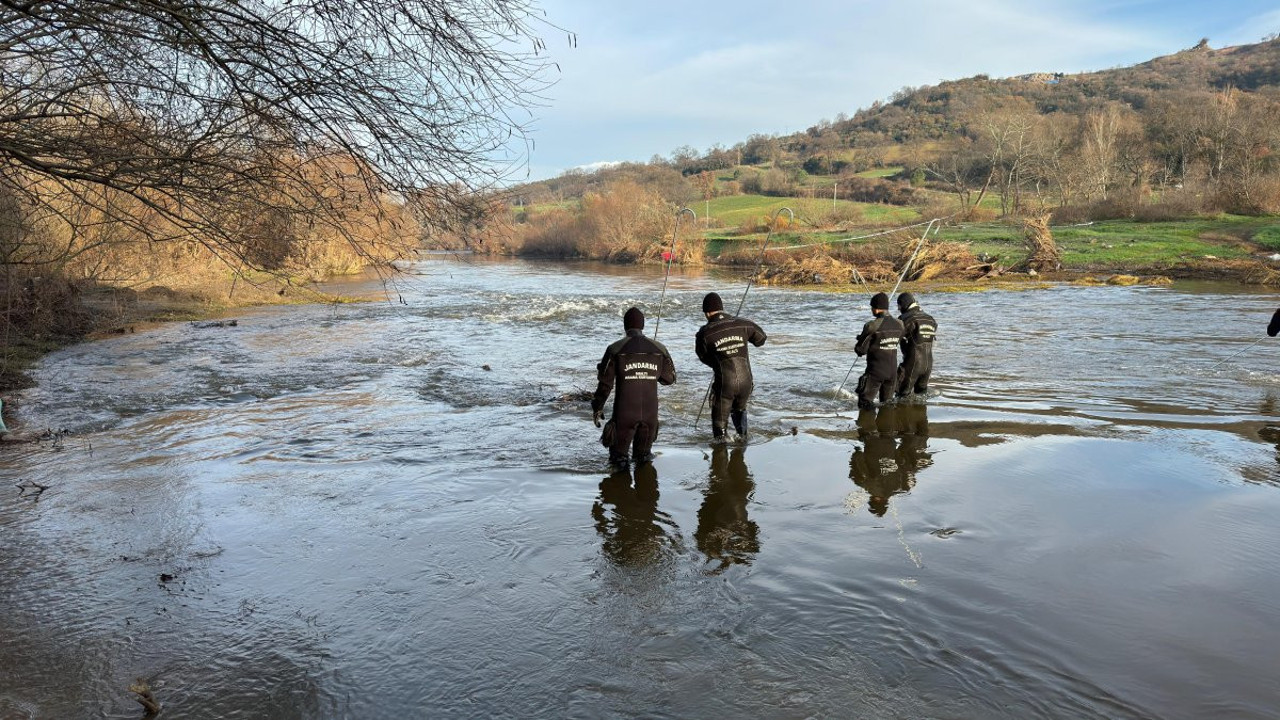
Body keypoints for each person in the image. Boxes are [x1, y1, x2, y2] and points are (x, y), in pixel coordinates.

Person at [591, 307, 676, 468]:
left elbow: (605, 385)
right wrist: (651, 369)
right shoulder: (660, 349)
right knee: (644, 461)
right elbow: (669, 379)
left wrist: (597, 407)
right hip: (650, 416)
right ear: (642, 325)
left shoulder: (615, 349)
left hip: (624, 416)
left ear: (625, 326)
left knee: (619, 462)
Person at [694, 292, 767, 441]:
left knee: (719, 434)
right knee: (740, 414)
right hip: (746, 382)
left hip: (725, 384)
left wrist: (718, 361)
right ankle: (742, 444)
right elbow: (761, 339)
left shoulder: (704, 333)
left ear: (706, 313)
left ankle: (721, 450)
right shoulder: (743, 324)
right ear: (721, 308)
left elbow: (702, 357)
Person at [854, 292, 904, 410]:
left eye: (871, 307)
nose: (871, 310)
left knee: (865, 404)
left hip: (875, 372)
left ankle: (867, 422)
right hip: (892, 372)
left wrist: (861, 339)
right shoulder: (900, 324)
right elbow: (897, 339)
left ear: (876, 309)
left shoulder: (872, 325)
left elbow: (860, 350)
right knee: (887, 406)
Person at [895, 292, 937, 398]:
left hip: (911, 364)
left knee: (901, 397)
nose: (898, 309)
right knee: (922, 398)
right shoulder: (930, 319)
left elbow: (893, 338)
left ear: (904, 305)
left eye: (899, 306)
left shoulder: (905, 319)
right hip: (928, 365)